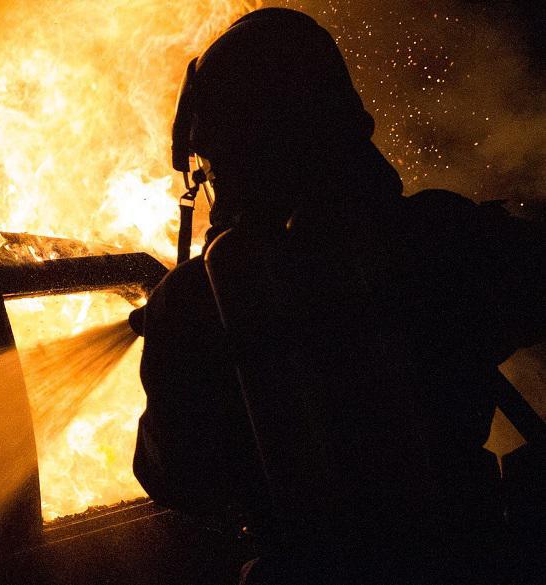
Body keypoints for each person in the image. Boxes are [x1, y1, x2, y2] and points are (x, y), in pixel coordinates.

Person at [130, 8, 545, 584]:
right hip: (468, 558)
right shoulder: (442, 233)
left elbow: (176, 479)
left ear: (224, 156)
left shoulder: (195, 302)